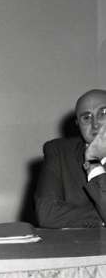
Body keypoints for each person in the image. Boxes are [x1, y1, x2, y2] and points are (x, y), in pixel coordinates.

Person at [35, 89, 106, 228]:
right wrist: (93, 161)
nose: (95, 124)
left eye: (103, 113)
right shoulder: (58, 151)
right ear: (78, 124)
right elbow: (47, 214)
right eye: (86, 117)